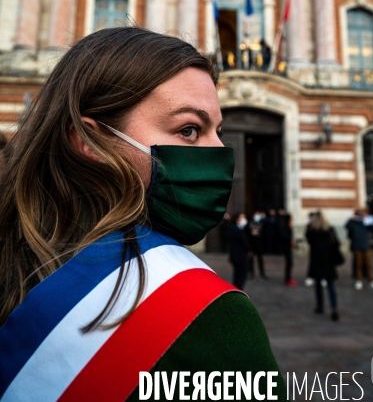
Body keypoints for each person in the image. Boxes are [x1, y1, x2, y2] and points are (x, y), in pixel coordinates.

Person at [0, 27, 287, 400]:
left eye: (218, 130)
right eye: (188, 130)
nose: (219, 152)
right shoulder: (214, 320)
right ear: (91, 141)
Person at [306, 211, 340, 321]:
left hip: (317, 261)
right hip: (328, 261)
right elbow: (337, 243)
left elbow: (309, 240)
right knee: (331, 286)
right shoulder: (330, 230)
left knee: (318, 286)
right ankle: (334, 308)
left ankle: (320, 307)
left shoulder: (312, 231)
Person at [345, 209, 373, 290]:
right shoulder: (353, 223)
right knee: (358, 265)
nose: (359, 216)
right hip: (357, 247)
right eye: (358, 214)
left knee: (368, 265)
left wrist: (367, 218)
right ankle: (358, 280)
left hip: (366, 246)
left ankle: (371, 281)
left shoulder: (366, 223)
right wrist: (351, 219)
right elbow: (347, 226)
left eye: (360, 214)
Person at [228, 213, 251, 290]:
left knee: (238, 273)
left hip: (238, 255)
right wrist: (248, 250)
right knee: (241, 273)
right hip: (239, 255)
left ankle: (236, 288)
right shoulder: (237, 229)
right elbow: (244, 242)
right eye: (242, 218)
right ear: (237, 219)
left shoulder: (240, 229)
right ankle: (238, 288)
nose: (244, 219)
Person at [277, 209, 297, 287]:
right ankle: (288, 278)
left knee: (289, 263)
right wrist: (291, 242)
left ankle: (288, 278)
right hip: (286, 247)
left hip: (287, 247)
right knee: (289, 263)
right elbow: (285, 237)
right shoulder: (286, 227)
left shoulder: (288, 226)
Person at [248, 211, 267, 280]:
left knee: (260, 259)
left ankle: (262, 273)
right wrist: (251, 233)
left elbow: (265, 232)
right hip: (252, 243)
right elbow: (247, 232)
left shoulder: (262, 223)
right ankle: (251, 273)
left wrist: (259, 234)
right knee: (250, 259)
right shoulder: (250, 223)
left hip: (259, 243)